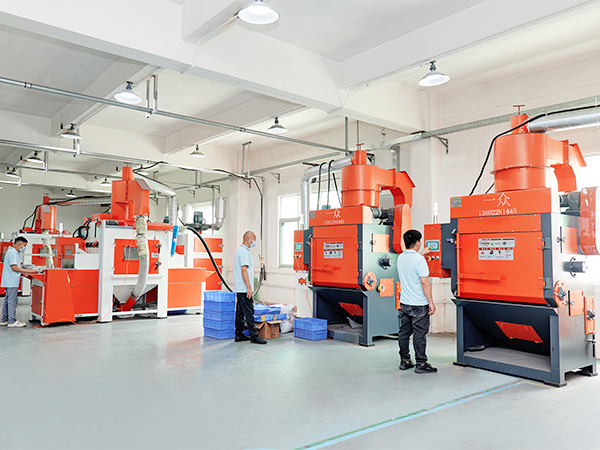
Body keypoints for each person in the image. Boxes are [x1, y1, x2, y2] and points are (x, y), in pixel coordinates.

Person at [396, 229, 437, 373]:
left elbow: (412, 262)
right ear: (418, 243)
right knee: (419, 335)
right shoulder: (419, 260)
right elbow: (424, 281)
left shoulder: (401, 257)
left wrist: (422, 254)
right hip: (419, 304)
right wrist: (431, 302)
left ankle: (405, 361)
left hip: (405, 303)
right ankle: (421, 364)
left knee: (404, 333)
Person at [233, 230, 267, 344]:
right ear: (248, 240)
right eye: (254, 238)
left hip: (240, 288)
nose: (255, 241)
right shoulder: (244, 252)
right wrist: (248, 287)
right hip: (244, 288)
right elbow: (244, 270)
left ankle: (239, 334)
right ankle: (254, 336)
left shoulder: (240, 251)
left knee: (240, 312)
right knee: (249, 312)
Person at [1, 236, 37, 328]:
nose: (24, 248)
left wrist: (23, 273)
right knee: (12, 301)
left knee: (7, 300)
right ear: (19, 244)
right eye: (24, 246)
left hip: (10, 280)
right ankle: (12, 321)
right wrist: (28, 271)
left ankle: (4, 320)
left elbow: (14, 268)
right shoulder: (12, 253)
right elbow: (14, 267)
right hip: (11, 281)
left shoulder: (12, 252)